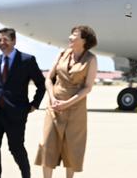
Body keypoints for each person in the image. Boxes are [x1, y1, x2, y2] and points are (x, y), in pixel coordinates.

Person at [35, 25, 98, 178]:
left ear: (84, 40)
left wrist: (67, 103)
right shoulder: (62, 54)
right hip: (54, 105)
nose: (70, 37)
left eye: (74, 35)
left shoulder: (91, 59)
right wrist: (52, 97)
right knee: (47, 144)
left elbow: (88, 87)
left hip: (76, 109)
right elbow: (49, 79)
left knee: (72, 147)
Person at [0, 27, 46, 178]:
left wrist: (34, 104)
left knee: (16, 148)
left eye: (5, 39)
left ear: (14, 41)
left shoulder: (27, 60)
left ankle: (26, 174)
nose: (2, 43)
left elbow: (41, 84)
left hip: (16, 113)